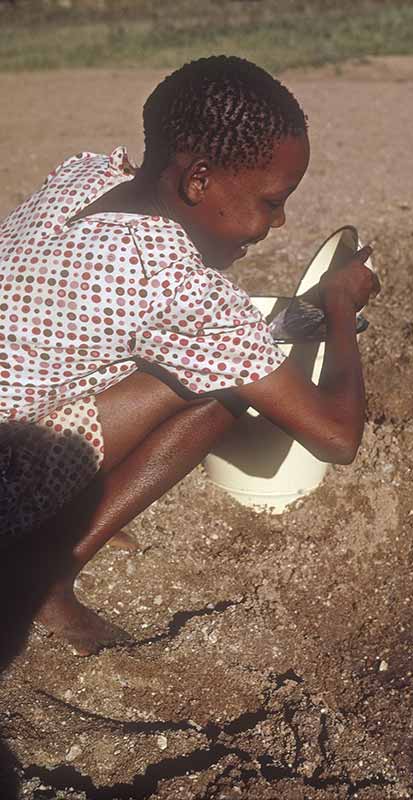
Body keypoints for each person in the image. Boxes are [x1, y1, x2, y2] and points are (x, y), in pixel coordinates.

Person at [0, 55, 379, 656]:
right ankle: (42, 575)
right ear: (197, 180)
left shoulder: (85, 176)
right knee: (223, 386)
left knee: (187, 356)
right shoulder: (170, 280)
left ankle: (62, 513)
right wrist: (338, 309)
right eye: (272, 201)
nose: (278, 222)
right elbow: (337, 437)